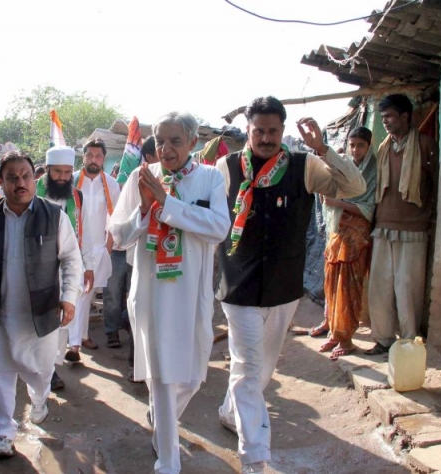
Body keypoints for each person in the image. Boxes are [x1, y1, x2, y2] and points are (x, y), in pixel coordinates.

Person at [214, 96, 365, 474]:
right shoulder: (226, 168)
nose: (266, 138)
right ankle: (255, 457)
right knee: (249, 368)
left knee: (261, 369)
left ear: (283, 130)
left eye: (273, 131)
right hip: (238, 284)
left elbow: (354, 187)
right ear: (247, 130)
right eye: (259, 131)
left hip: (283, 286)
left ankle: (230, 412)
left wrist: (323, 149)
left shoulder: (304, 165)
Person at [109, 112, 231, 474]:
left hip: (192, 293)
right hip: (152, 291)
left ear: (192, 142)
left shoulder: (210, 178)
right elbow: (118, 235)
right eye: (160, 141)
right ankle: (167, 461)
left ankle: (161, 424)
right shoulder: (140, 177)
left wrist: (167, 202)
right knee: (162, 375)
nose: (165, 148)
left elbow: (219, 228)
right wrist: (145, 209)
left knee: (192, 376)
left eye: (175, 141)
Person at [0, 151, 83, 459]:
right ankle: (3, 433)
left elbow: (72, 259)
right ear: (1, 182)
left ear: (34, 178)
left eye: (26, 176)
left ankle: (39, 399)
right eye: (12, 178)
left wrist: (69, 297)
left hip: (41, 311)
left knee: (41, 372)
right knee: (0, 374)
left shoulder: (54, 215)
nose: (20, 183)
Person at [364, 94, 439, 356]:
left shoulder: (426, 146)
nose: (385, 121)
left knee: (407, 288)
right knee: (380, 287)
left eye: (390, 116)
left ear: (405, 116)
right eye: (383, 117)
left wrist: (429, 219)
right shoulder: (384, 148)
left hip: (413, 229)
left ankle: (408, 343)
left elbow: (437, 185)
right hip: (383, 226)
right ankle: (383, 339)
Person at [317, 127, 378, 360]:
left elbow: (368, 208)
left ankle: (347, 339)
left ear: (369, 146)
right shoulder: (343, 167)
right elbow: (326, 190)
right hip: (337, 229)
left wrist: (338, 202)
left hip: (357, 235)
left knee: (348, 285)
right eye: (352, 145)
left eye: (360, 145)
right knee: (332, 281)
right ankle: (334, 331)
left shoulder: (373, 171)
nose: (355, 150)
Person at [35, 146, 94, 384]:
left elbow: (85, 232)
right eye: (57, 172)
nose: (62, 177)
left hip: (67, 266)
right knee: (37, 318)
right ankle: (35, 367)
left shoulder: (77, 196)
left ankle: (51, 368)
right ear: (47, 169)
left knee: (63, 318)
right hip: (36, 267)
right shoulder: (31, 192)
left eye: (67, 172)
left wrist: (89, 266)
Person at [104, 136, 157, 380]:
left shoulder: (187, 177)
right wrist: (144, 209)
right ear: (150, 157)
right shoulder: (136, 178)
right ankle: (135, 363)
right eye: (162, 148)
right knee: (136, 309)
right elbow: (119, 228)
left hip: (173, 264)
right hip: (138, 259)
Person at [69, 138, 121, 353]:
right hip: (73, 247)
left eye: (98, 156)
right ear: (83, 157)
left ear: (103, 159)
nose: (93, 159)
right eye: (89, 155)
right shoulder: (71, 180)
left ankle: (81, 336)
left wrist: (108, 248)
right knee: (78, 293)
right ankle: (74, 344)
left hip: (99, 248)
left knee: (86, 294)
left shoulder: (111, 184)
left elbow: (116, 218)